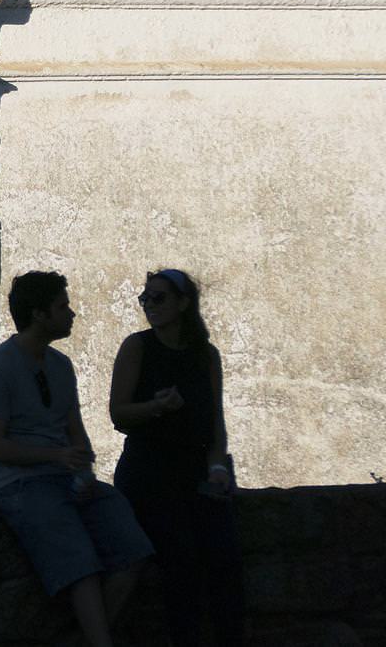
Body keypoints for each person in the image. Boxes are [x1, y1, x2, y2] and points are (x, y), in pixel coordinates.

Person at [0, 270, 153, 647]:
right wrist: (57, 456)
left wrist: (85, 472)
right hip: (19, 485)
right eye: (62, 306)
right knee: (81, 565)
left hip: (65, 480)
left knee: (133, 550)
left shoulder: (60, 366)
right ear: (39, 314)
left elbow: (74, 428)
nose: (71, 313)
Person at [109, 268, 247, 647]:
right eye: (145, 298)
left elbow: (215, 422)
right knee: (180, 562)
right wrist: (154, 407)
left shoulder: (206, 357)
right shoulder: (137, 347)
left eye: (158, 298)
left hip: (195, 474)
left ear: (183, 304)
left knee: (226, 561)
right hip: (149, 474)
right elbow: (119, 414)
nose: (149, 305)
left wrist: (218, 468)